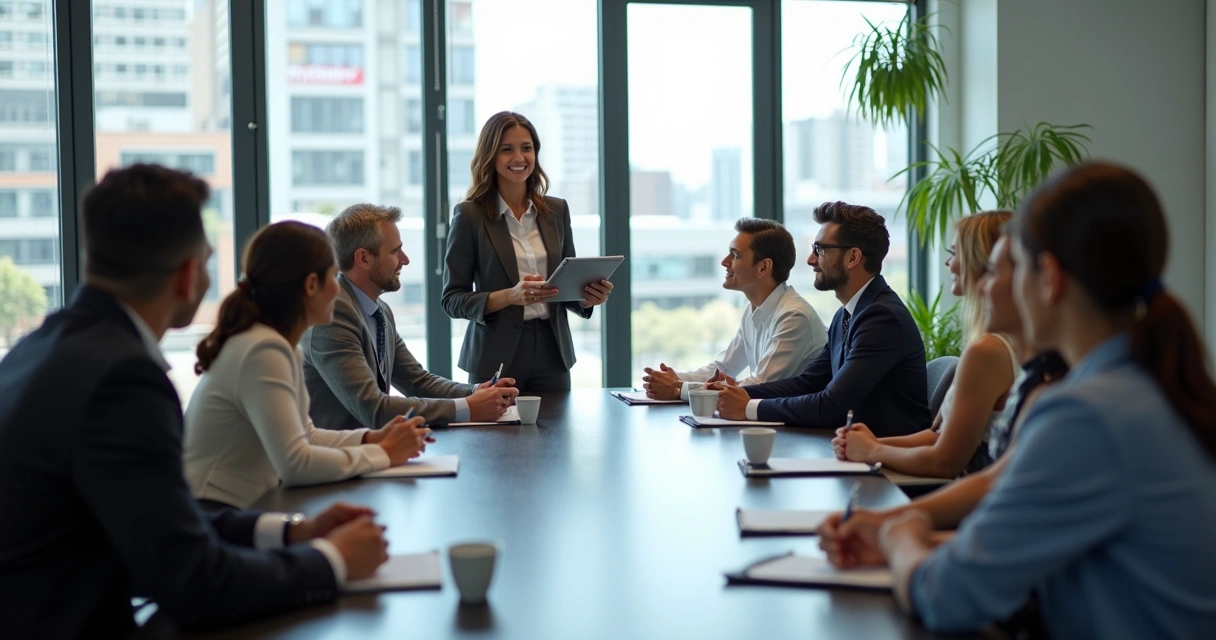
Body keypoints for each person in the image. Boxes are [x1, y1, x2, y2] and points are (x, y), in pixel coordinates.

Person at [0, 165, 390, 637]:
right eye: (206, 262)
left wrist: (292, 531)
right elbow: (195, 583)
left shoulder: (40, 347)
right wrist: (332, 560)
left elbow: (162, 524)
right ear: (187, 276)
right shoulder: (122, 380)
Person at [877, 162, 1216, 638]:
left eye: (1011, 268)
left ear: (1050, 278)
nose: (990, 285)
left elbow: (945, 596)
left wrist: (901, 535)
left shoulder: (1086, 415)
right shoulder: (1144, 386)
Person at [817, 232, 1068, 563]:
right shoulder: (1039, 378)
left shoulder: (1055, 390)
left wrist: (876, 456)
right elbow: (990, 479)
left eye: (992, 272)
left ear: (1047, 279)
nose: (981, 285)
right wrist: (887, 525)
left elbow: (948, 461)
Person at [184, 221, 434, 510]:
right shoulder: (263, 349)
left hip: (242, 508)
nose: (339, 288)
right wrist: (384, 453)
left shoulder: (275, 344)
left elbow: (307, 435)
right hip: (215, 514)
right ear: (311, 285)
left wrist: (372, 438)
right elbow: (296, 464)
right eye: (333, 276)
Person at [710, 201, 929, 436]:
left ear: (853, 257)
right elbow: (808, 383)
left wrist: (748, 408)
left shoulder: (882, 318)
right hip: (852, 446)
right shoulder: (846, 314)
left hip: (888, 453)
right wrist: (739, 393)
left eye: (820, 250)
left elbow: (831, 405)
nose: (811, 260)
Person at [832, 210, 1016, 477]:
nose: (948, 263)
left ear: (982, 261)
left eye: (954, 253)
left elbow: (944, 462)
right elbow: (937, 436)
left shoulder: (987, 351)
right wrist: (868, 443)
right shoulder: (994, 345)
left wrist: (873, 451)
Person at [303, 203, 518, 429]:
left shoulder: (379, 310)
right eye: (395, 251)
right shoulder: (331, 315)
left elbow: (417, 381)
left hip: (371, 445)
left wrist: (475, 392)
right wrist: (468, 407)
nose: (405, 259)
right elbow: (373, 409)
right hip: (339, 450)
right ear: (363, 258)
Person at [443, 111, 612, 391]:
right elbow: (452, 299)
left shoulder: (557, 210)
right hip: (494, 355)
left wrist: (587, 298)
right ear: (490, 155)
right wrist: (511, 296)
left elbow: (564, 285)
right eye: (507, 149)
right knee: (498, 422)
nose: (519, 157)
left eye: (527, 148)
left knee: (557, 422)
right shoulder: (470, 216)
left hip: (552, 352)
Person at [639, 218, 828, 401]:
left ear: (763, 267)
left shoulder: (794, 316)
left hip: (792, 423)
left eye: (735, 255)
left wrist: (678, 388)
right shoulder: (753, 310)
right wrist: (673, 378)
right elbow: (723, 368)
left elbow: (758, 387)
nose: (724, 261)